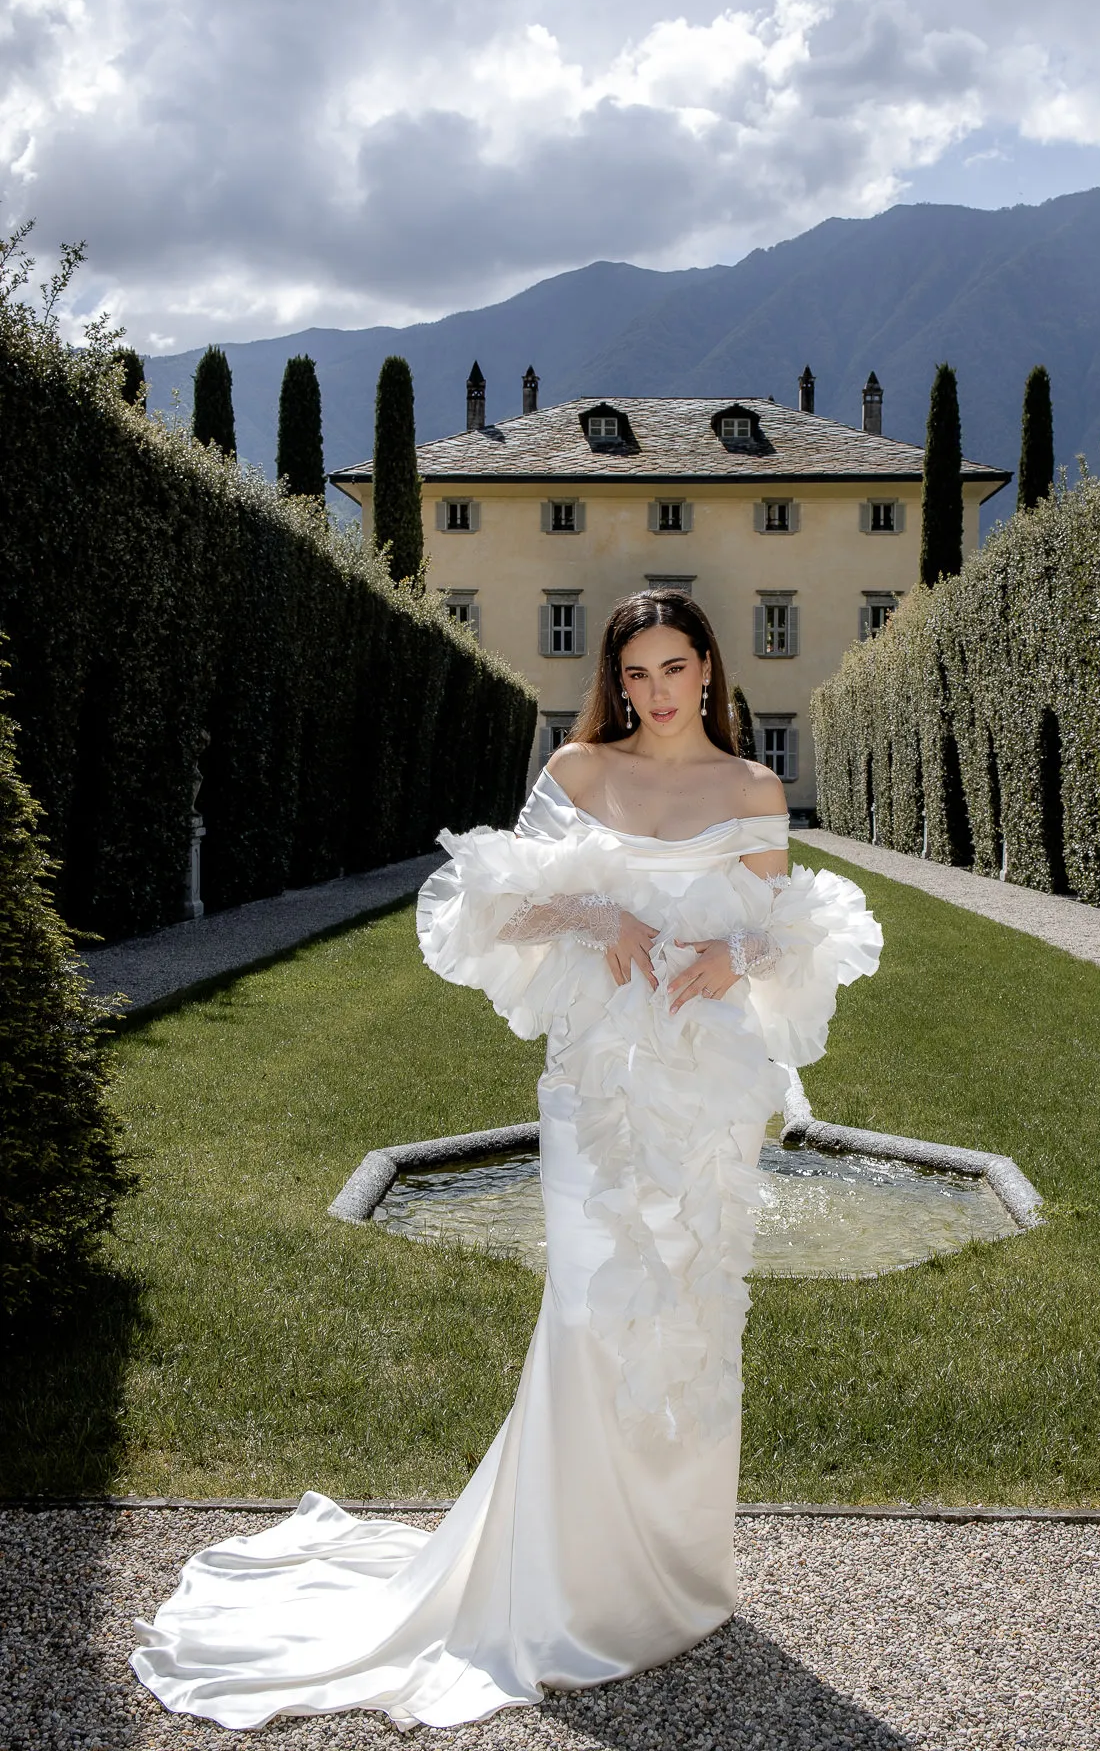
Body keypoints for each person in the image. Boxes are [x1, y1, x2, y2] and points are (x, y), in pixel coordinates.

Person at [131, 589, 882, 1732]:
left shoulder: (752, 789)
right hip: (597, 1088)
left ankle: (675, 1583)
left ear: (710, 670)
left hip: (708, 1098)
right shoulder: (577, 774)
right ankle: (568, 1587)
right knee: (589, 1308)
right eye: (637, 673)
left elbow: (783, 931)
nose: (658, 689)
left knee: (693, 1311)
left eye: (676, 666)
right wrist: (598, 921)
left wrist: (735, 950)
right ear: (616, 682)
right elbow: (487, 909)